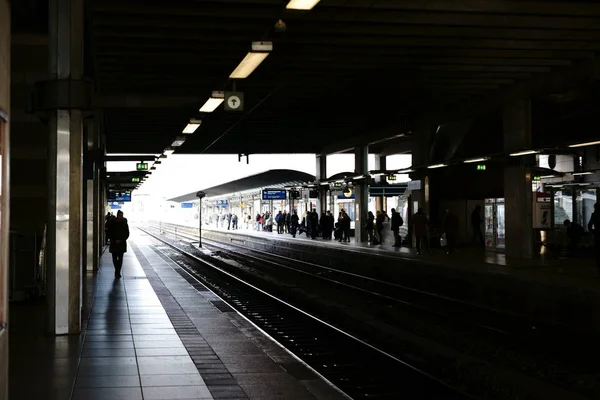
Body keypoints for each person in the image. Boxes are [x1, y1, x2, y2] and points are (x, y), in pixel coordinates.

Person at [107, 210, 130, 278]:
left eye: (121, 215)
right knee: (119, 259)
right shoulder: (124, 222)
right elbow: (127, 233)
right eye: (120, 215)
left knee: (116, 258)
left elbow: (109, 232)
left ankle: (117, 271)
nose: (121, 216)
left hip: (115, 243)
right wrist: (121, 240)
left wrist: (114, 240)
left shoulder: (113, 222)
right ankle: (117, 272)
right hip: (120, 243)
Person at [589, 205, 600, 273]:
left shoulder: (594, 214)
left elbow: (590, 224)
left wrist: (592, 231)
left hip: (597, 233)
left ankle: (598, 264)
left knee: (597, 250)